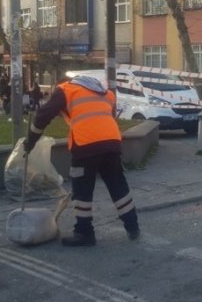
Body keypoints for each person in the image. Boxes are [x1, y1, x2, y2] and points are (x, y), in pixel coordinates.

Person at [24, 74, 139, 246]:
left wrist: (30, 142)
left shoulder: (65, 90)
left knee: (82, 190)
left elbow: (42, 116)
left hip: (86, 144)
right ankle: (133, 227)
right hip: (112, 142)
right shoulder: (103, 92)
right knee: (118, 185)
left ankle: (84, 233)